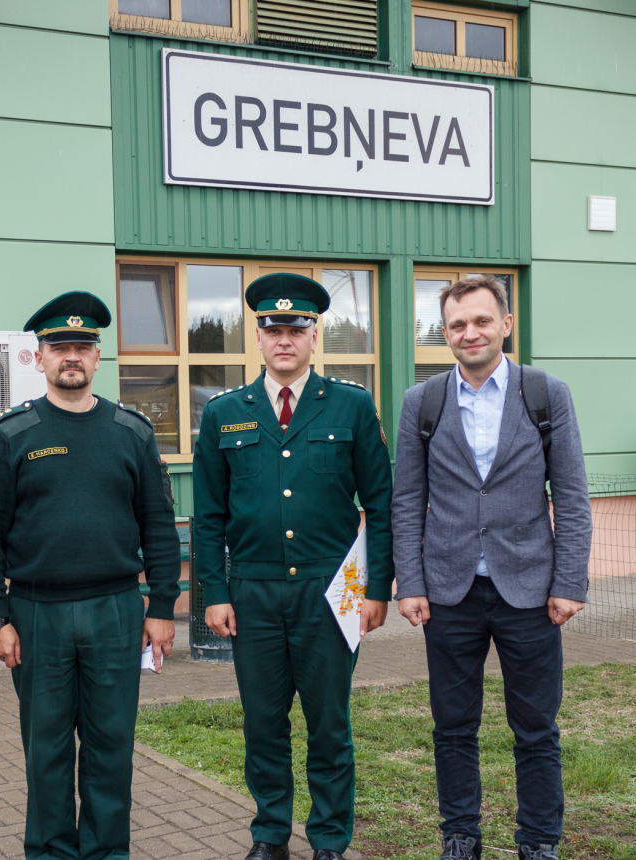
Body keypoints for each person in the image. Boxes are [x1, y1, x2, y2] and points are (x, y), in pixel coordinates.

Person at [0, 290, 181, 860]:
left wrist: (162, 607)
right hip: (37, 615)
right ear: (39, 357)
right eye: (60, 346)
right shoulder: (13, 433)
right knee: (47, 751)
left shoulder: (131, 431)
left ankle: (108, 852)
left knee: (112, 748)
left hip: (116, 610)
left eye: (82, 346)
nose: (72, 357)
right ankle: (51, 852)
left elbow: (159, 524)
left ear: (97, 355)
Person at [193, 272, 394, 860]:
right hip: (252, 591)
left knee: (329, 724)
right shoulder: (225, 412)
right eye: (273, 329)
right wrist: (214, 592)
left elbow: (380, 506)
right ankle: (269, 834)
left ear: (315, 336)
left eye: (297, 329)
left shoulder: (352, 407)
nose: (285, 339)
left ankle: (330, 838)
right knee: (263, 723)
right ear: (257, 337)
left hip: (332, 591)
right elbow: (207, 515)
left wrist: (376, 587)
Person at [391, 275, 591, 860]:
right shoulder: (421, 402)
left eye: (481, 321)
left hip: (529, 589)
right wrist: (412, 582)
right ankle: (460, 836)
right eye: (457, 324)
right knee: (453, 727)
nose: (469, 333)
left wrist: (569, 581)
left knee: (536, 728)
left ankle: (538, 840)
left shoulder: (545, 394)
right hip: (449, 592)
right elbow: (408, 499)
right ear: (444, 333)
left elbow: (572, 495)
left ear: (506, 324)